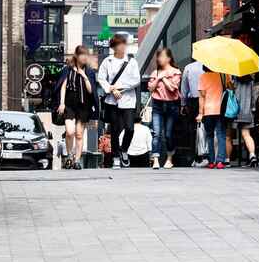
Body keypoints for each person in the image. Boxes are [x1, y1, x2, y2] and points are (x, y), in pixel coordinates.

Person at [97, 35, 141, 169]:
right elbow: (101, 78)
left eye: (123, 44)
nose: (122, 47)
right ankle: (116, 157)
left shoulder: (131, 61)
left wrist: (120, 88)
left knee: (130, 128)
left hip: (127, 100)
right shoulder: (107, 61)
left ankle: (124, 150)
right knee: (115, 130)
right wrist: (111, 89)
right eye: (119, 44)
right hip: (112, 101)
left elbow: (136, 80)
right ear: (114, 47)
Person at [57, 46, 95, 170]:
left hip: (84, 105)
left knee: (79, 134)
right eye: (82, 54)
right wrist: (62, 103)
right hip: (69, 104)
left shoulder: (89, 71)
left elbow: (91, 91)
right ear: (76, 56)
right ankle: (69, 155)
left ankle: (77, 160)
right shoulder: (68, 70)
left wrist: (83, 75)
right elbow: (63, 87)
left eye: (86, 55)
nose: (84, 57)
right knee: (70, 131)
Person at [147, 47, 182, 169]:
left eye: (162, 56)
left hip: (172, 105)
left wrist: (164, 78)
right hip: (157, 105)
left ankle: (169, 158)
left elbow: (172, 88)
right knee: (156, 133)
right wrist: (158, 77)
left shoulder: (176, 72)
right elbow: (151, 88)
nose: (159, 59)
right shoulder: (155, 73)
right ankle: (155, 159)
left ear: (169, 58)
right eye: (158, 56)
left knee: (168, 134)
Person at [197, 66, 230, 169]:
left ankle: (211, 161)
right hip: (221, 110)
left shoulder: (203, 77)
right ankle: (220, 161)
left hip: (208, 110)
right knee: (221, 136)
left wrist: (200, 113)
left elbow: (202, 96)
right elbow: (231, 88)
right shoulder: (224, 75)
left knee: (209, 136)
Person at [181, 59, 208, 166]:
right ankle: (206, 155)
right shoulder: (210, 67)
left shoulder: (188, 67)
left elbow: (184, 87)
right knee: (206, 128)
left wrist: (183, 103)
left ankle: (194, 157)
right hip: (208, 99)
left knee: (193, 129)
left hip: (193, 101)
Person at [232, 74, 258, 167]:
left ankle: (226, 159)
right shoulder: (251, 81)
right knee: (246, 135)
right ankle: (252, 155)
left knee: (228, 135)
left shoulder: (234, 80)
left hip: (235, 111)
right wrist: (253, 108)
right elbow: (254, 96)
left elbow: (232, 93)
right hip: (247, 111)